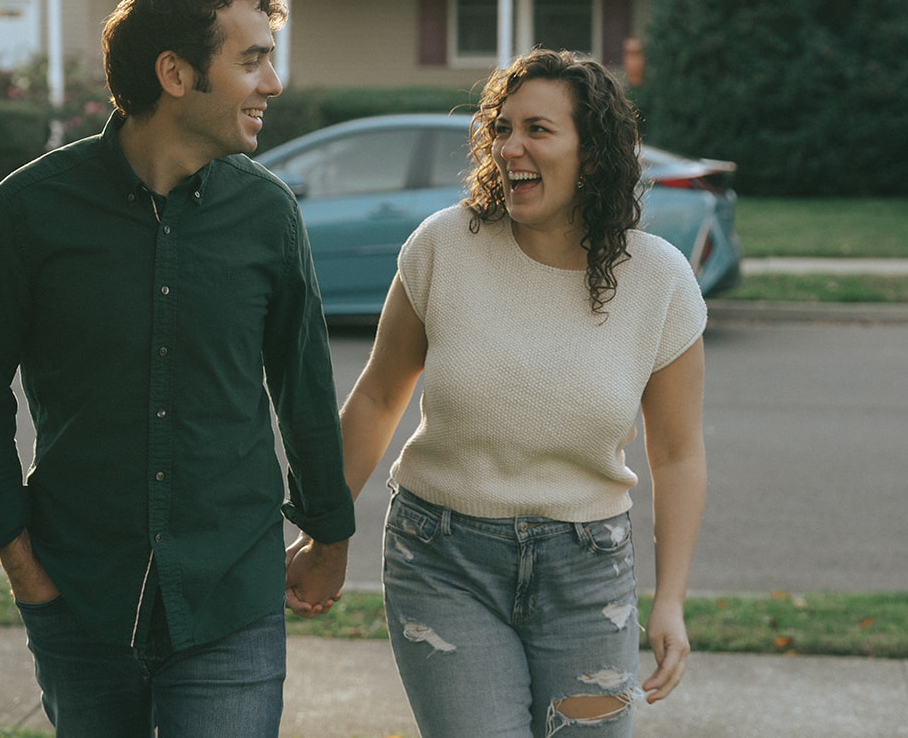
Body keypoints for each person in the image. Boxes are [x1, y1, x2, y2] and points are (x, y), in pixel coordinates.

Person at [0, 0, 354, 737]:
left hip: (230, 597)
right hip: (79, 594)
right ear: (175, 72)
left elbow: (302, 384)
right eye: (250, 59)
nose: (272, 82)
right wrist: (18, 557)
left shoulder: (267, 215)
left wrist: (329, 529)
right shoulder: (30, 209)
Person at [287, 48, 708, 737]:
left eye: (538, 129)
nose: (511, 146)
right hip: (443, 561)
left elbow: (680, 452)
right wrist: (322, 537)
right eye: (502, 128)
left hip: (589, 577)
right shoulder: (443, 247)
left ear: (593, 153)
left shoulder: (658, 279)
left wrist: (671, 600)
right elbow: (374, 399)